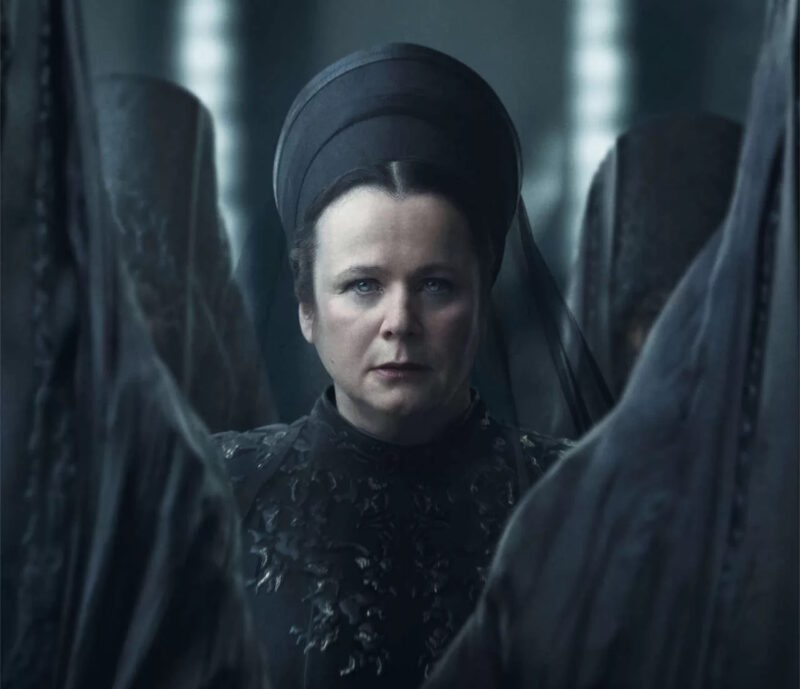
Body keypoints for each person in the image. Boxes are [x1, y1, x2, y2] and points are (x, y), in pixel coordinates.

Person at [423, 0, 797, 685]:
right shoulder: (548, 529)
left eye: (708, 320)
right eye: (651, 320)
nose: (678, 356)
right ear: (605, 318)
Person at [213, 43, 581, 689]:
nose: (400, 321)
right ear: (306, 307)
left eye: (436, 285)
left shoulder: (571, 500)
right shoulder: (215, 494)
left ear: (483, 299)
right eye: (363, 285)